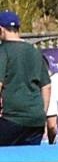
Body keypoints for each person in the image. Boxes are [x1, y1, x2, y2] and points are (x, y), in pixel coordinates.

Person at [0, 10, 51, 147]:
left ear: (1, 30)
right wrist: (42, 114)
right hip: (35, 120)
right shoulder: (35, 51)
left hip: (11, 118)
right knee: (28, 161)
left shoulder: (3, 51)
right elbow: (46, 86)